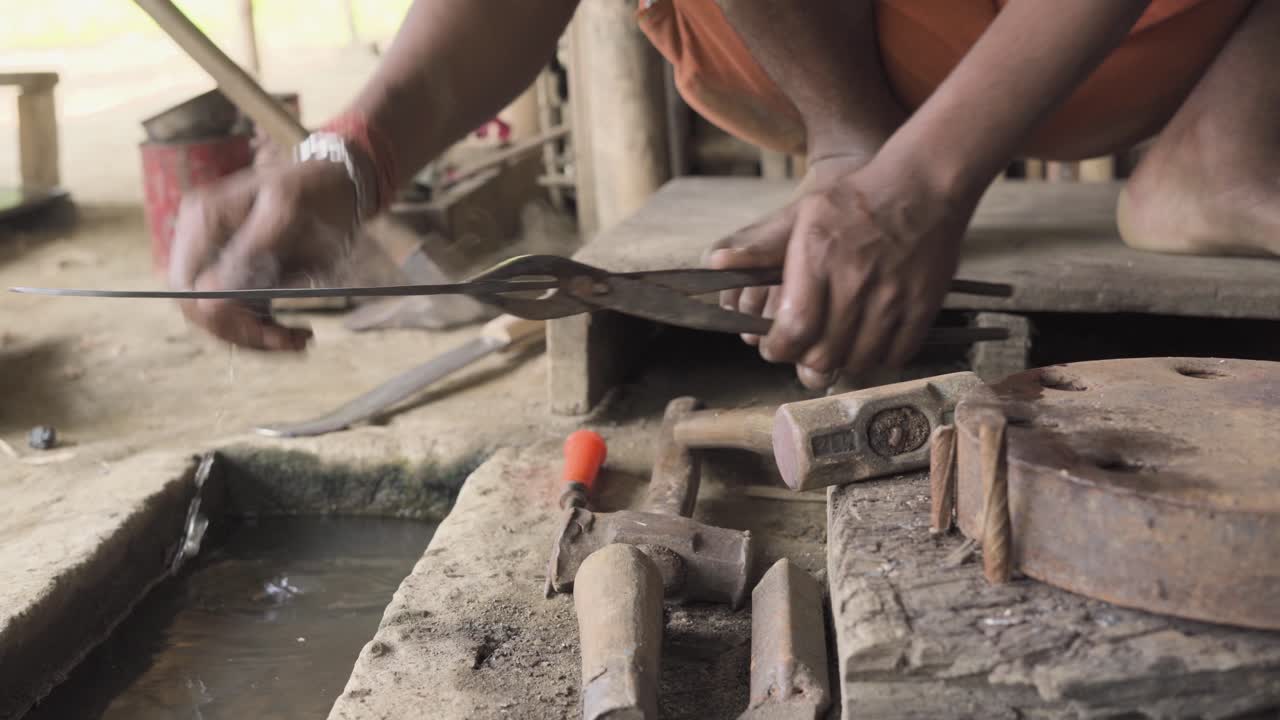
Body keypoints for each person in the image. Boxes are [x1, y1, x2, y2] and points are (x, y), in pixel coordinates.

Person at [169, 0, 1278, 389]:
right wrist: (349, 160)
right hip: (804, 50)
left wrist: (923, 186)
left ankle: (1227, 152)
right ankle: (849, 136)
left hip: (1125, 43)